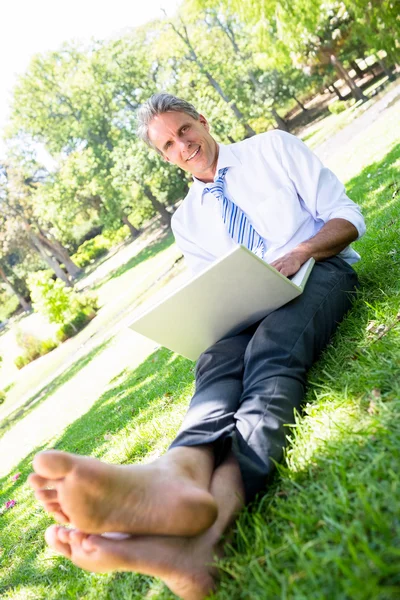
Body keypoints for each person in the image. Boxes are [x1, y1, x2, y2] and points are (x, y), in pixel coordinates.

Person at [28, 93, 366, 600]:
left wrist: (300, 252)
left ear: (202, 121)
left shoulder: (271, 149)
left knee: (272, 354)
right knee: (215, 363)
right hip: (250, 302)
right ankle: (176, 474)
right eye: (168, 144)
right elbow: (218, 284)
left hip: (320, 270)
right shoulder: (186, 221)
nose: (183, 146)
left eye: (185, 130)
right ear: (163, 157)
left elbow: (346, 217)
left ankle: (218, 515)